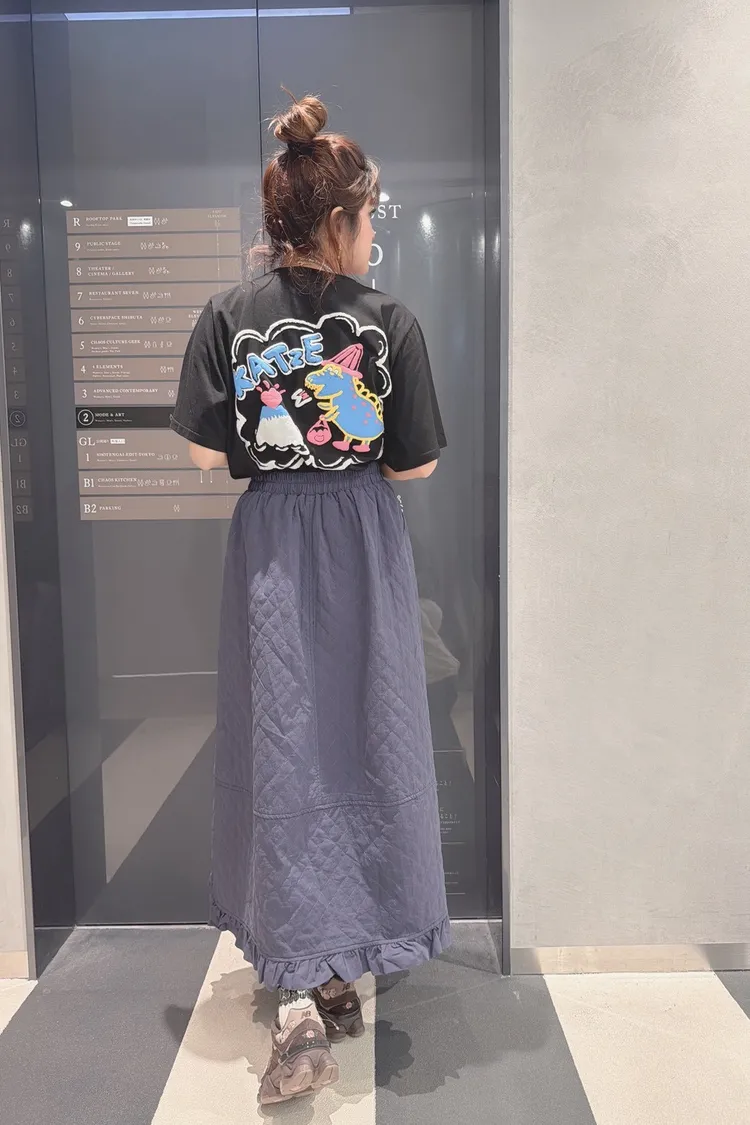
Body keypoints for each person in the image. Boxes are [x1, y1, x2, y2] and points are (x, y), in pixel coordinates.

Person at [170, 93, 449, 1106]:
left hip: (274, 550)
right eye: (370, 217)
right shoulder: (390, 321)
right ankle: (337, 968)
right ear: (338, 220)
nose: (375, 234)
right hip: (363, 545)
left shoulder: (226, 315)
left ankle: (302, 981)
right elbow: (414, 465)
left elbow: (206, 454)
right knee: (370, 734)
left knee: (282, 746)